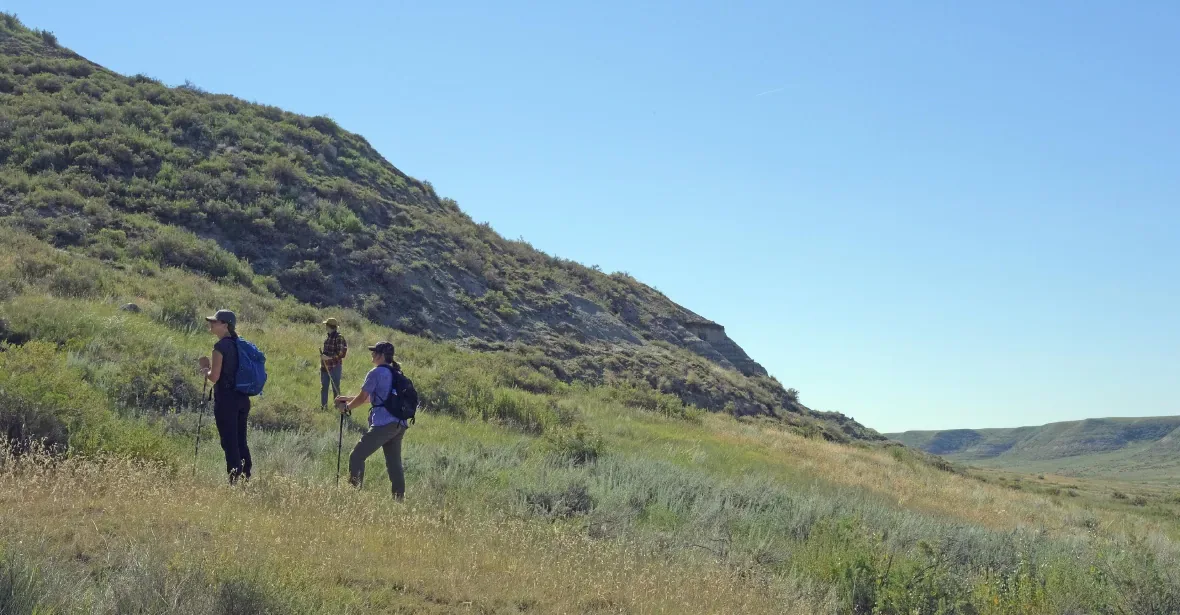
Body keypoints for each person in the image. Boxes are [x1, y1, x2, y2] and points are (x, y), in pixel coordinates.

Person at [336, 341, 408, 500]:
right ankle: (399, 500)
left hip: (384, 424)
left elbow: (362, 398)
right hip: (399, 424)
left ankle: (353, 496)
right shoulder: (396, 372)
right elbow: (374, 398)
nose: (372, 354)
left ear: (381, 356)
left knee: (357, 456)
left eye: (374, 352)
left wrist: (346, 408)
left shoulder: (375, 372)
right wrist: (347, 399)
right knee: (394, 464)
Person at [197, 309, 252, 484]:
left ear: (225, 325)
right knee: (241, 440)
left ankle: (234, 480)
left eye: (215, 322)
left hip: (227, 399)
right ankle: (245, 477)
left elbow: (215, 377)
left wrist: (205, 370)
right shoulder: (240, 344)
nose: (211, 324)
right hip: (242, 398)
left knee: (229, 441)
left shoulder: (220, 347)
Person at [320, 318, 348, 411]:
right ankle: (324, 407)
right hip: (325, 366)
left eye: (326, 325)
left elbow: (341, 353)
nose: (325, 327)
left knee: (335, 388)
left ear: (329, 326)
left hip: (335, 366)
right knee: (324, 387)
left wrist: (328, 358)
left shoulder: (339, 337)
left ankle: (338, 408)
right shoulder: (328, 337)